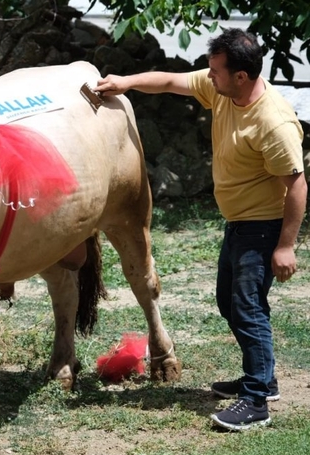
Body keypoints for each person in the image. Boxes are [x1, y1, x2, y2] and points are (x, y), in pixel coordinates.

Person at [95, 28, 306, 431]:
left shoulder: (273, 123)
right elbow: (172, 81)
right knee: (230, 303)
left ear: (240, 76)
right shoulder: (222, 91)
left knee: (247, 309)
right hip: (239, 224)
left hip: (262, 229)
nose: (207, 76)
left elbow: (297, 186)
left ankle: (257, 399)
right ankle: (263, 377)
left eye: (215, 71)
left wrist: (286, 246)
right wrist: (127, 84)